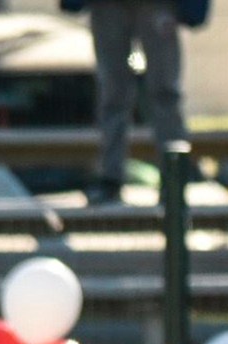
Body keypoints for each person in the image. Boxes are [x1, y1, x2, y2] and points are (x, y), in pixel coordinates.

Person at [58, 0, 210, 204]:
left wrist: (193, 8)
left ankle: (174, 176)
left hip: (157, 5)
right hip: (108, 6)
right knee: (113, 94)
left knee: (164, 93)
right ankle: (110, 177)